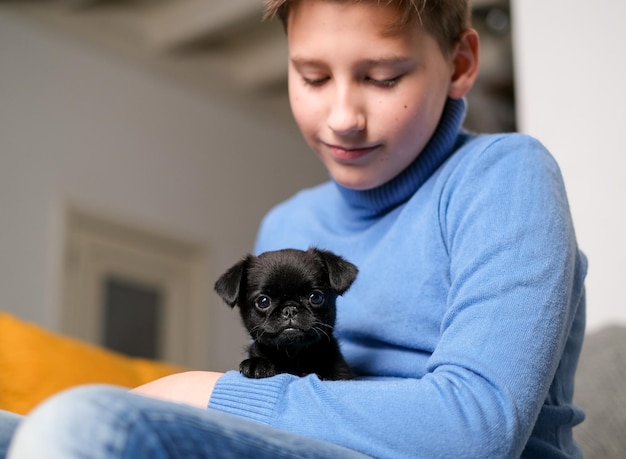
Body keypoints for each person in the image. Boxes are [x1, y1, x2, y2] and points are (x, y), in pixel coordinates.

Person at [1, 0, 587, 457]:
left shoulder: (504, 176)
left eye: (381, 78)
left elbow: (476, 430)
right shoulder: (288, 223)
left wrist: (205, 393)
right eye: (311, 76)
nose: (342, 118)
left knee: (85, 423)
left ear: (460, 65)